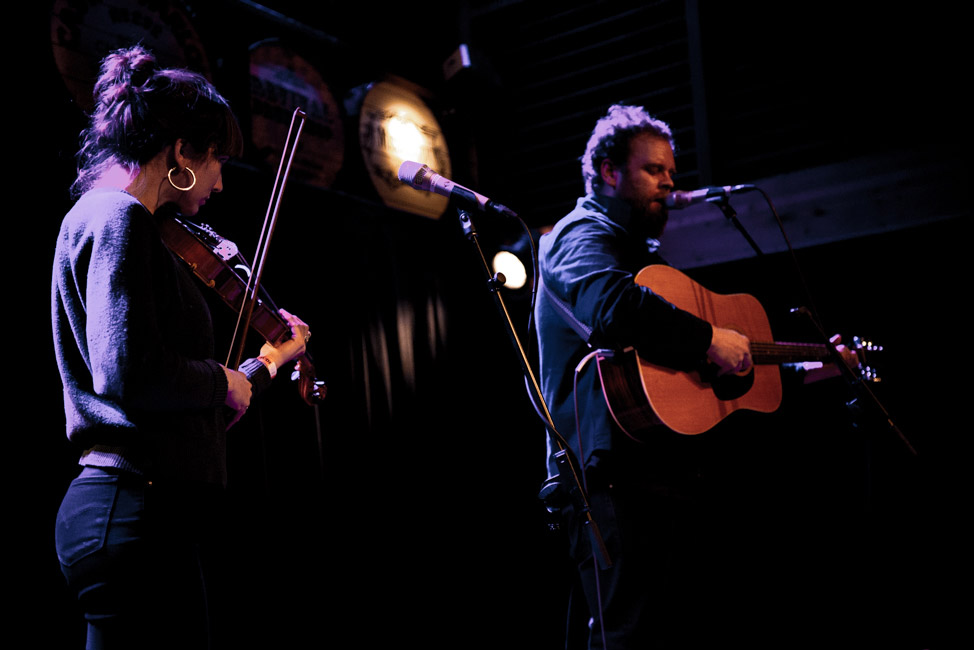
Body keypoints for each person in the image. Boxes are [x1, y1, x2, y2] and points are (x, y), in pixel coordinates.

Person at [534, 105, 858, 648]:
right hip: (604, 478)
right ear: (609, 171)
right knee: (626, 638)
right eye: (653, 170)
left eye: (671, 172)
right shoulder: (578, 235)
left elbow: (692, 374)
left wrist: (814, 368)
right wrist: (709, 338)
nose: (670, 182)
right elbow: (611, 304)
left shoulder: (642, 258)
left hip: (654, 469)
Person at [52, 45, 311, 649]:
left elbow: (166, 393)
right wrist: (224, 381)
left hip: (136, 508)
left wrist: (264, 366)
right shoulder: (119, 217)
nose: (220, 182)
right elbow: (129, 373)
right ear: (181, 155)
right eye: (217, 160)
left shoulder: (111, 219)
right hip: (132, 508)